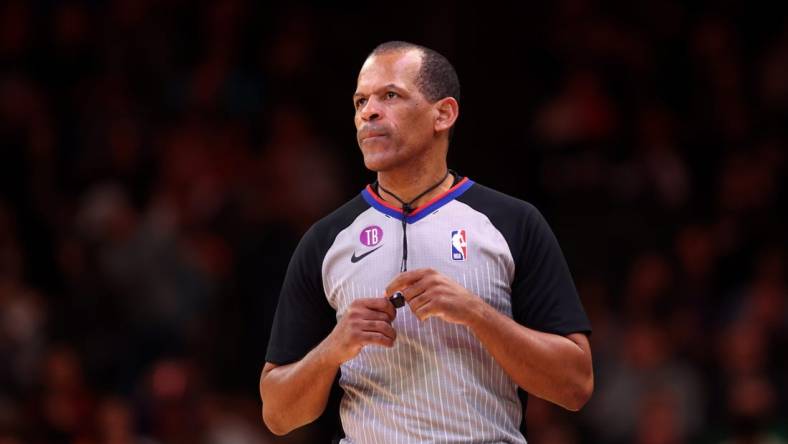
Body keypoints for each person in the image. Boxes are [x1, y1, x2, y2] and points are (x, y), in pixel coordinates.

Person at [259, 41, 593, 443]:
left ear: (444, 114)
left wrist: (475, 312)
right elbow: (277, 414)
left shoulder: (513, 223)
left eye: (391, 95)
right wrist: (332, 348)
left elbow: (576, 385)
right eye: (360, 101)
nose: (369, 112)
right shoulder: (326, 239)